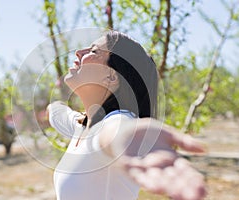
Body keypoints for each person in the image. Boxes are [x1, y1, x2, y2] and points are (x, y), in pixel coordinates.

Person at [46, 30, 206, 200]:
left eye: (93, 51)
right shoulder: (84, 126)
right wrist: (53, 107)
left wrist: (126, 136)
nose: (79, 52)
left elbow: (116, 130)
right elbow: (59, 114)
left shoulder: (114, 123)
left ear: (111, 77)